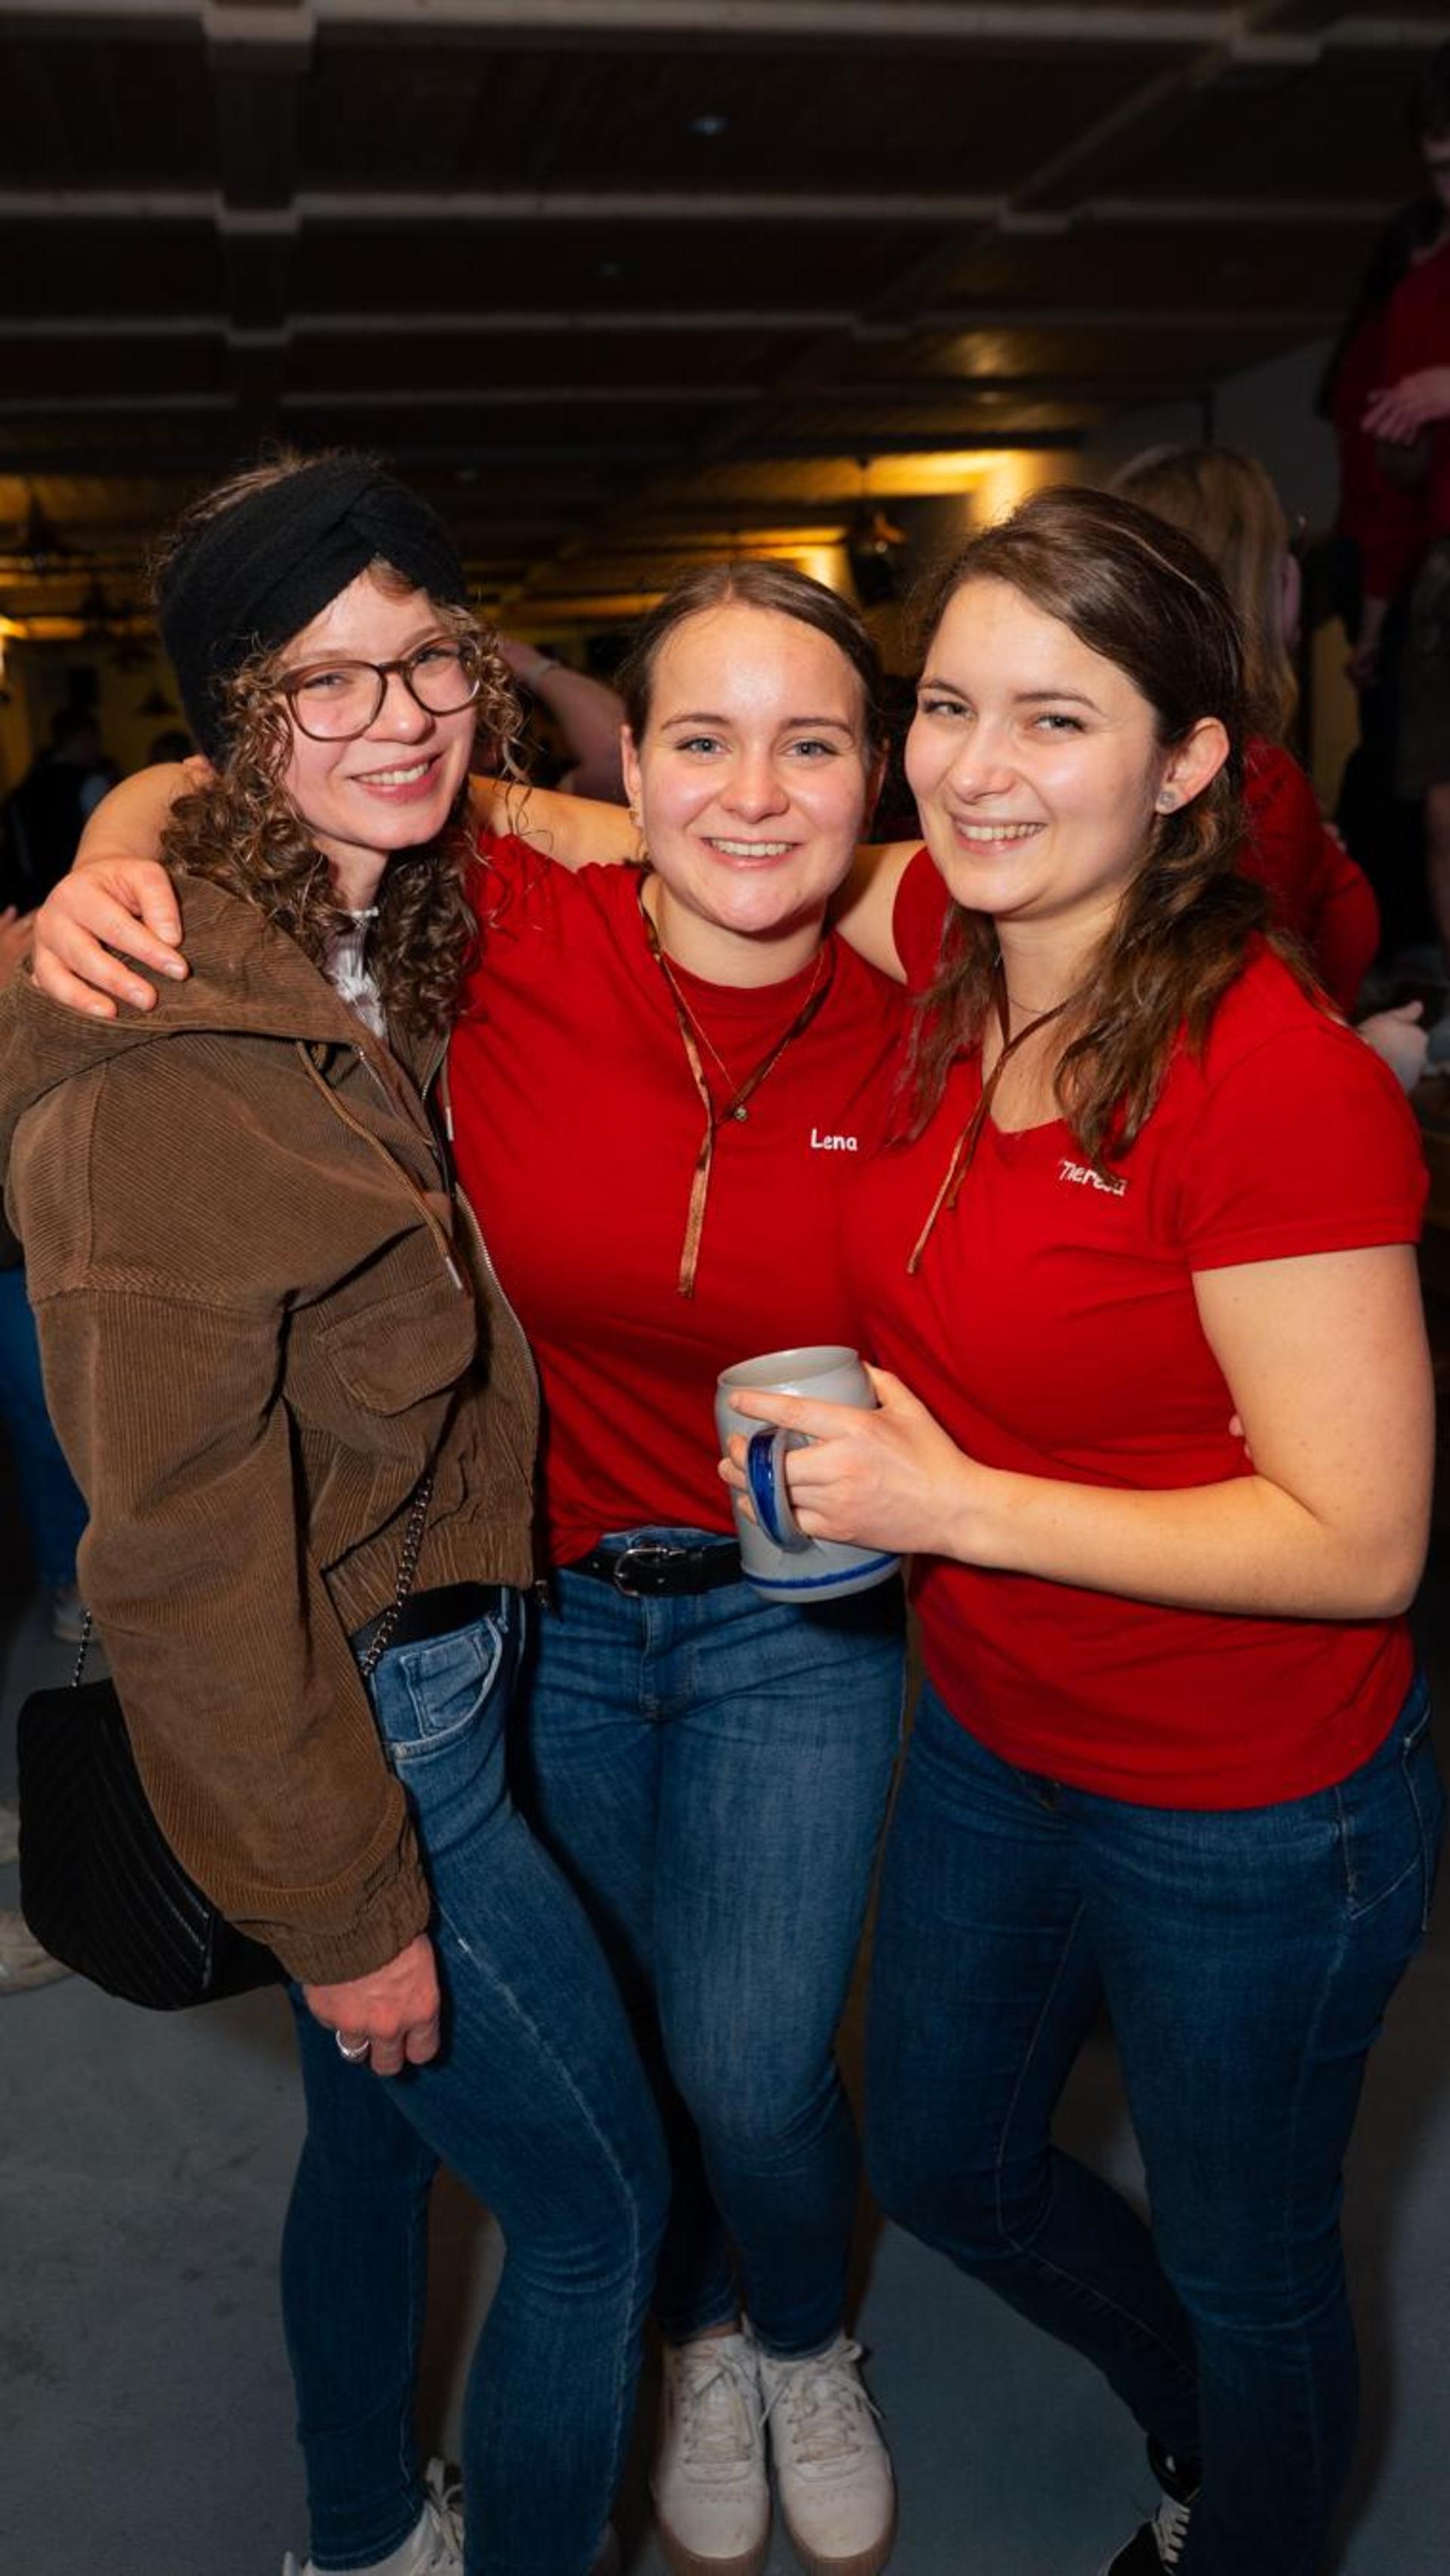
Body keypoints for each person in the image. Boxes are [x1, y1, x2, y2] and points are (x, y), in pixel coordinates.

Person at [27, 557, 910, 2576]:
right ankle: (643, 2366)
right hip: (491, 1638)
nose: (754, 789)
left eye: (422, 661)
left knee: (729, 2073)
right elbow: (169, 1536)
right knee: (550, 2167)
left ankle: (753, 2351)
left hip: (705, 1624)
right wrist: (106, 838)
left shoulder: (451, 906)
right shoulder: (416, 933)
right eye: (701, 737)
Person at [723, 486, 1441, 2576]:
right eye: (946, 704)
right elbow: (625, 825)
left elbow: (1362, 1541)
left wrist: (953, 1503)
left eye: (1056, 718)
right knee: (942, 2160)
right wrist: (142, 830)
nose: (970, 766)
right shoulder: (949, 939)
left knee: (1254, 2260)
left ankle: (1250, 2519)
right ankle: (1218, 2441)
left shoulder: (1274, 1079)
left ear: (1191, 759)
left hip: (1248, 1802)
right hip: (999, 1733)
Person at [0, 453, 668, 2576]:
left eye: (425, 660)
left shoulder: (380, 913)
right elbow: (179, 1551)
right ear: (231, 719)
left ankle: (367, 2531)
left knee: (377, 2163)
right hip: (381, 1737)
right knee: (599, 2214)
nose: (396, 719)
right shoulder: (159, 1042)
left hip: (435, 1652)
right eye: (321, 684)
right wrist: (343, 1894)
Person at [1110, 443, 1428, 1086]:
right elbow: (1220, 1065)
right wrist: (1374, 1057)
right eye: (1285, 543)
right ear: (1253, 580)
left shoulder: (1144, 766)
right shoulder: (1252, 777)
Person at [1363, 42, 1450, 1024]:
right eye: (1439, 172)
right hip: (1443, 569)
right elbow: (1396, 481)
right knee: (1440, 811)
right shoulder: (1423, 294)